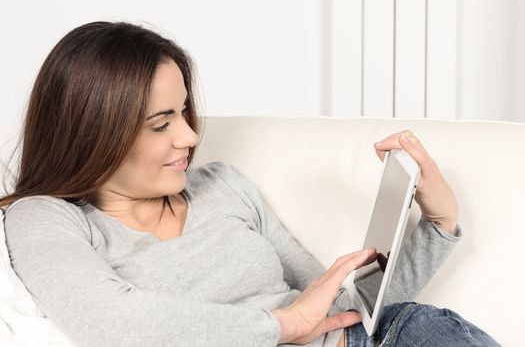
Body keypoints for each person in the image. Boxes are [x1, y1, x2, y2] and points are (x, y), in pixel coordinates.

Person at [0, 21, 499, 347]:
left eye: (184, 113)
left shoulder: (223, 186)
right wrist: (282, 326)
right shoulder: (46, 217)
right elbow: (110, 321)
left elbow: (343, 311)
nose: (191, 135)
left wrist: (439, 223)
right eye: (161, 123)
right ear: (92, 132)